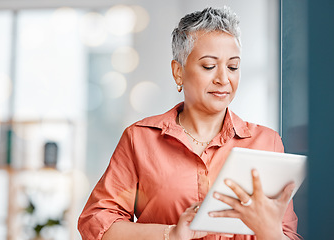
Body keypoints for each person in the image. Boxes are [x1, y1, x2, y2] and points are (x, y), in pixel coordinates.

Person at [78, 6, 302, 240]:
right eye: (209, 66)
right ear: (178, 72)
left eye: (233, 67)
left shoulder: (267, 142)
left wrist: (269, 230)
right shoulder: (140, 139)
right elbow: (96, 225)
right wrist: (172, 234)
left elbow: (288, 235)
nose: (223, 79)